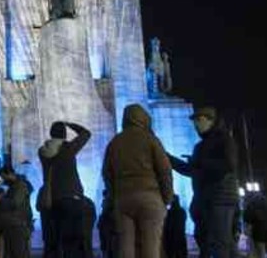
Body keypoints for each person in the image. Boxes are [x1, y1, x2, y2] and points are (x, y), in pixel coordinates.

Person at [102, 104, 173, 258]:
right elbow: (165, 170)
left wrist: (113, 197)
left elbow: (106, 174)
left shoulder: (115, 142)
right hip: (149, 196)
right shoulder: (150, 139)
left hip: (123, 198)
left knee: (125, 247)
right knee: (150, 246)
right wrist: (167, 198)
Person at [167, 107, 239, 258]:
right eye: (194, 121)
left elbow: (229, 165)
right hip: (205, 199)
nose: (196, 125)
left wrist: (200, 163)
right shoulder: (200, 146)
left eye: (199, 120)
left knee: (219, 243)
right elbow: (191, 170)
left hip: (221, 197)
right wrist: (167, 158)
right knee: (219, 242)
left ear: (211, 121)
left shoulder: (224, 140)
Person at [38, 120, 92, 258]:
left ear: (51, 133)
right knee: (74, 241)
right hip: (72, 198)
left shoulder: (42, 151)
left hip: (53, 199)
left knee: (58, 239)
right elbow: (86, 133)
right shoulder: (68, 148)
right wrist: (70, 124)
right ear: (64, 134)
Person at [0, 167, 33, 258]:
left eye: (4, 177)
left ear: (11, 174)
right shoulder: (13, 187)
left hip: (18, 226)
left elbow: (15, 203)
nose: (4, 180)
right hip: (12, 225)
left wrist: (2, 199)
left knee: (18, 253)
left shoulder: (20, 186)